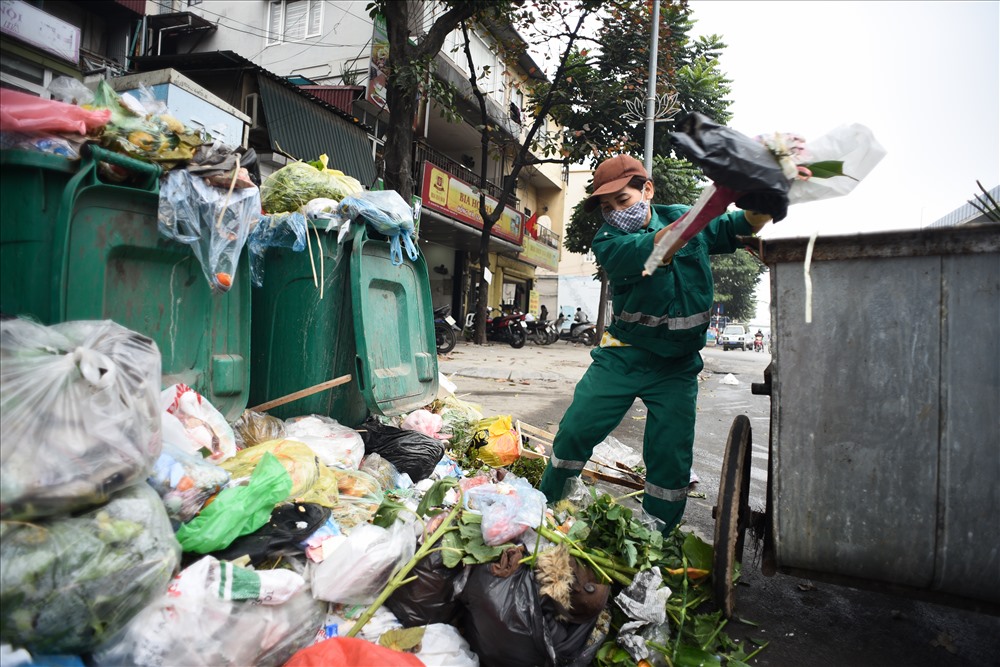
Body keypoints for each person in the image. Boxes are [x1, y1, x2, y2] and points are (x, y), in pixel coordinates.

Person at [539, 154, 772, 533]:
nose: (615, 212)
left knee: (670, 457)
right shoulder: (608, 241)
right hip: (623, 357)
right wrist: (715, 199)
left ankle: (657, 536)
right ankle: (547, 506)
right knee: (576, 430)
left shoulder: (681, 215)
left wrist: (762, 204)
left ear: (647, 189)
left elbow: (736, 226)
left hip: (677, 367)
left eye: (623, 200)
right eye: (606, 206)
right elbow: (661, 246)